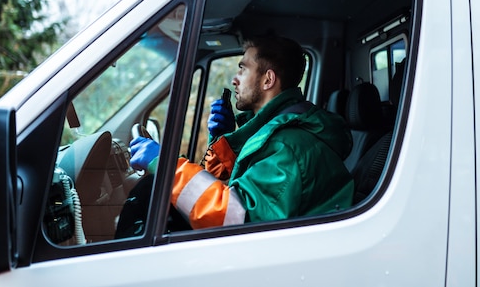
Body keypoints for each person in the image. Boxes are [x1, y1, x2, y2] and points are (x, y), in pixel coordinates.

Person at [129, 35, 354, 230]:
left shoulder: (287, 147)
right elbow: (241, 186)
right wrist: (224, 142)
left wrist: (166, 166)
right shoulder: (274, 135)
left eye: (243, 69)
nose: (234, 80)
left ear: (268, 80)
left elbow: (237, 217)